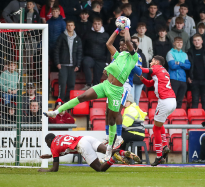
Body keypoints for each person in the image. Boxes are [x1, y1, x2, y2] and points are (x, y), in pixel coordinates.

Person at [45, 21, 141, 161]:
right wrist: (116, 29)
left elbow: (127, 39)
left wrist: (126, 26)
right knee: (83, 96)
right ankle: (56, 111)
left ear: (133, 48)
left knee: (112, 119)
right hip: (106, 84)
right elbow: (108, 44)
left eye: (127, 45)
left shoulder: (133, 57)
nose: (124, 45)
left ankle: (109, 149)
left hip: (116, 90)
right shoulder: (119, 55)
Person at [103, 37, 143, 149]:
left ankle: (119, 136)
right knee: (107, 110)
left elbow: (139, 71)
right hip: (112, 85)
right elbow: (112, 66)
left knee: (117, 110)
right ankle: (107, 135)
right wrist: (107, 70)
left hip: (124, 85)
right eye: (120, 46)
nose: (121, 47)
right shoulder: (119, 56)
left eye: (124, 45)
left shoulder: (135, 57)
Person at [138, 56, 177, 166]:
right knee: (159, 124)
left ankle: (159, 156)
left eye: (152, 61)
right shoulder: (163, 71)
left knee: (155, 128)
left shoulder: (157, 68)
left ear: (157, 62)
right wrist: (141, 78)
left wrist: (134, 66)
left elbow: (144, 70)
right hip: (172, 101)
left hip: (165, 101)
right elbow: (150, 83)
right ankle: (164, 146)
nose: (151, 62)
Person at [38, 133, 141, 172]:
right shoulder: (59, 136)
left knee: (100, 168)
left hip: (82, 145)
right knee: (108, 151)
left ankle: (114, 159)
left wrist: (45, 170)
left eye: (47, 143)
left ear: (50, 141)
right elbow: (65, 150)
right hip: (86, 138)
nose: (47, 145)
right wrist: (50, 156)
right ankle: (123, 153)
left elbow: (55, 169)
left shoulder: (53, 146)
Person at [54, 20, 82, 101]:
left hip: (73, 66)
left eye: (71, 25)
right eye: (68, 25)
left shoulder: (77, 39)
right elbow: (56, 50)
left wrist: (78, 65)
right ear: (66, 27)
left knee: (71, 84)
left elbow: (79, 53)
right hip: (63, 65)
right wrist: (57, 62)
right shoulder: (62, 37)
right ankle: (60, 101)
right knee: (62, 84)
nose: (70, 27)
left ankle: (68, 101)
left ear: (74, 27)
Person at [81, 17, 109, 90]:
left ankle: (95, 91)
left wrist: (107, 61)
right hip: (89, 57)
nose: (97, 25)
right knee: (86, 62)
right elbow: (82, 46)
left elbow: (109, 49)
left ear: (101, 25)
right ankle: (88, 84)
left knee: (97, 81)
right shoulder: (88, 34)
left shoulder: (106, 35)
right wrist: (82, 57)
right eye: (95, 24)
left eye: (98, 24)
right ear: (92, 24)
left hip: (101, 59)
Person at [166, 37, 191, 108]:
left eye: (181, 42)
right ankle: (171, 116)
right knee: (172, 99)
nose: (179, 44)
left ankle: (177, 115)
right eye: (177, 42)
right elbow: (172, 66)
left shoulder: (184, 54)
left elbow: (188, 66)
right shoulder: (170, 53)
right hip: (173, 79)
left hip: (183, 80)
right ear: (174, 43)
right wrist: (183, 64)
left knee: (180, 100)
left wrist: (178, 63)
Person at [131, 36, 148, 105]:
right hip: (131, 81)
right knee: (131, 100)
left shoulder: (142, 55)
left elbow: (145, 68)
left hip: (139, 81)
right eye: (132, 42)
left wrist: (143, 79)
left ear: (138, 43)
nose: (134, 43)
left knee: (136, 100)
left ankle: (135, 115)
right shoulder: (128, 54)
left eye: (135, 42)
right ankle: (129, 115)